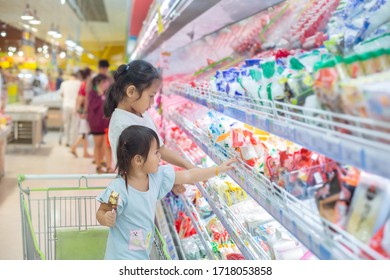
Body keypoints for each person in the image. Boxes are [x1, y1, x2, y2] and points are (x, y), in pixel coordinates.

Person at [96, 125, 237, 260]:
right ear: (138, 160)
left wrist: (217, 170)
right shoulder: (118, 190)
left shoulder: (157, 176)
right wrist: (106, 217)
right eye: (156, 152)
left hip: (142, 252)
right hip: (121, 257)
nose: (160, 156)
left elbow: (189, 175)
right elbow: (102, 211)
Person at [104, 60, 196, 170]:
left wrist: (188, 166)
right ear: (131, 92)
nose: (152, 103)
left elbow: (160, 148)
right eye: (151, 96)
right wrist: (172, 179)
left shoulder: (140, 113)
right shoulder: (122, 125)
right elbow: (137, 172)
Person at [87, 74, 111, 173]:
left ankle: (107, 165)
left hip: (106, 124)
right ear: (99, 83)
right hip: (96, 124)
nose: (107, 84)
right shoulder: (93, 93)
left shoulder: (108, 93)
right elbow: (93, 107)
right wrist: (100, 95)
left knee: (107, 146)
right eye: (104, 82)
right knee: (98, 145)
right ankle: (98, 166)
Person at [70, 68, 93, 158]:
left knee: (85, 132)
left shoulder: (83, 84)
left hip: (81, 109)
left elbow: (78, 97)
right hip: (84, 110)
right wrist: (85, 111)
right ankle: (74, 147)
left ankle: (84, 152)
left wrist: (77, 109)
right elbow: (85, 98)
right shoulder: (86, 84)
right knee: (85, 132)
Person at [59, 72, 82, 147]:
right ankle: (73, 142)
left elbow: (62, 94)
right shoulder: (79, 83)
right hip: (75, 106)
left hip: (66, 105)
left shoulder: (64, 83)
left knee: (66, 124)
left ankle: (67, 141)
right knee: (74, 125)